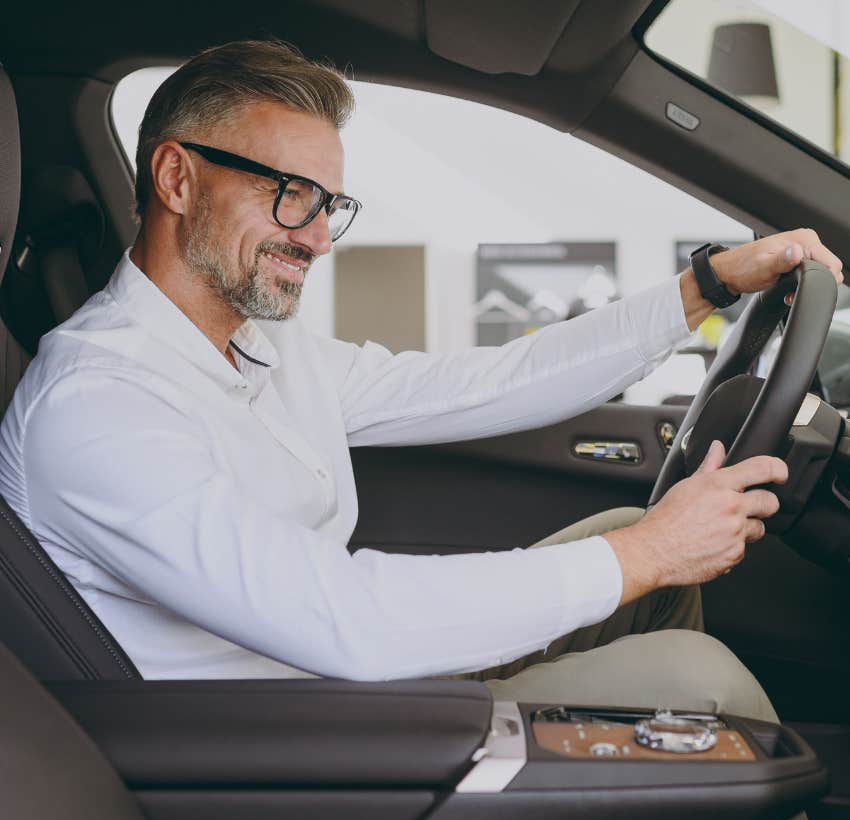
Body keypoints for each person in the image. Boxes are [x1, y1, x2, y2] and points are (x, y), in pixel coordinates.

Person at [0, 31, 841, 738]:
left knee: (636, 546)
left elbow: (489, 381)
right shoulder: (97, 407)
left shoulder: (258, 349)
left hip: (346, 687)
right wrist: (647, 552)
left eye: (330, 203)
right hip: (299, 752)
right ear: (177, 179)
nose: (320, 237)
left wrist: (705, 289)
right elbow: (345, 618)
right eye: (291, 195)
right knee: (697, 678)